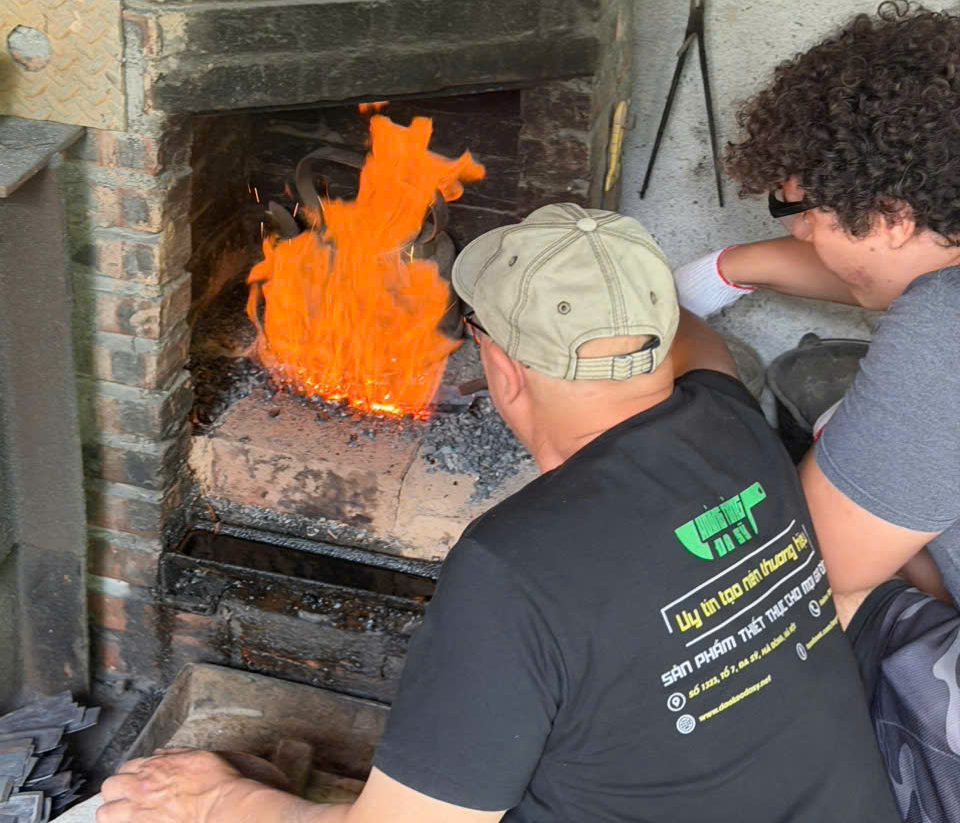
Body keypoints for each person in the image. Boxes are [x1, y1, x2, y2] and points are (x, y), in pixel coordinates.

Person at [99, 204, 897, 823]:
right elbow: (698, 347)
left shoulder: (514, 567)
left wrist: (217, 799)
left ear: (502, 367)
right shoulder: (733, 423)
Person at [673, 0, 960, 818]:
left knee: (781, 612)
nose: (798, 233)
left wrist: (689, 355)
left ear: (894, 217)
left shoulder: (943, 329)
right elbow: (889, 278)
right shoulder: (938, 261)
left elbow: (810, 568)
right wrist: (724, 269)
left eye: (809, 216)